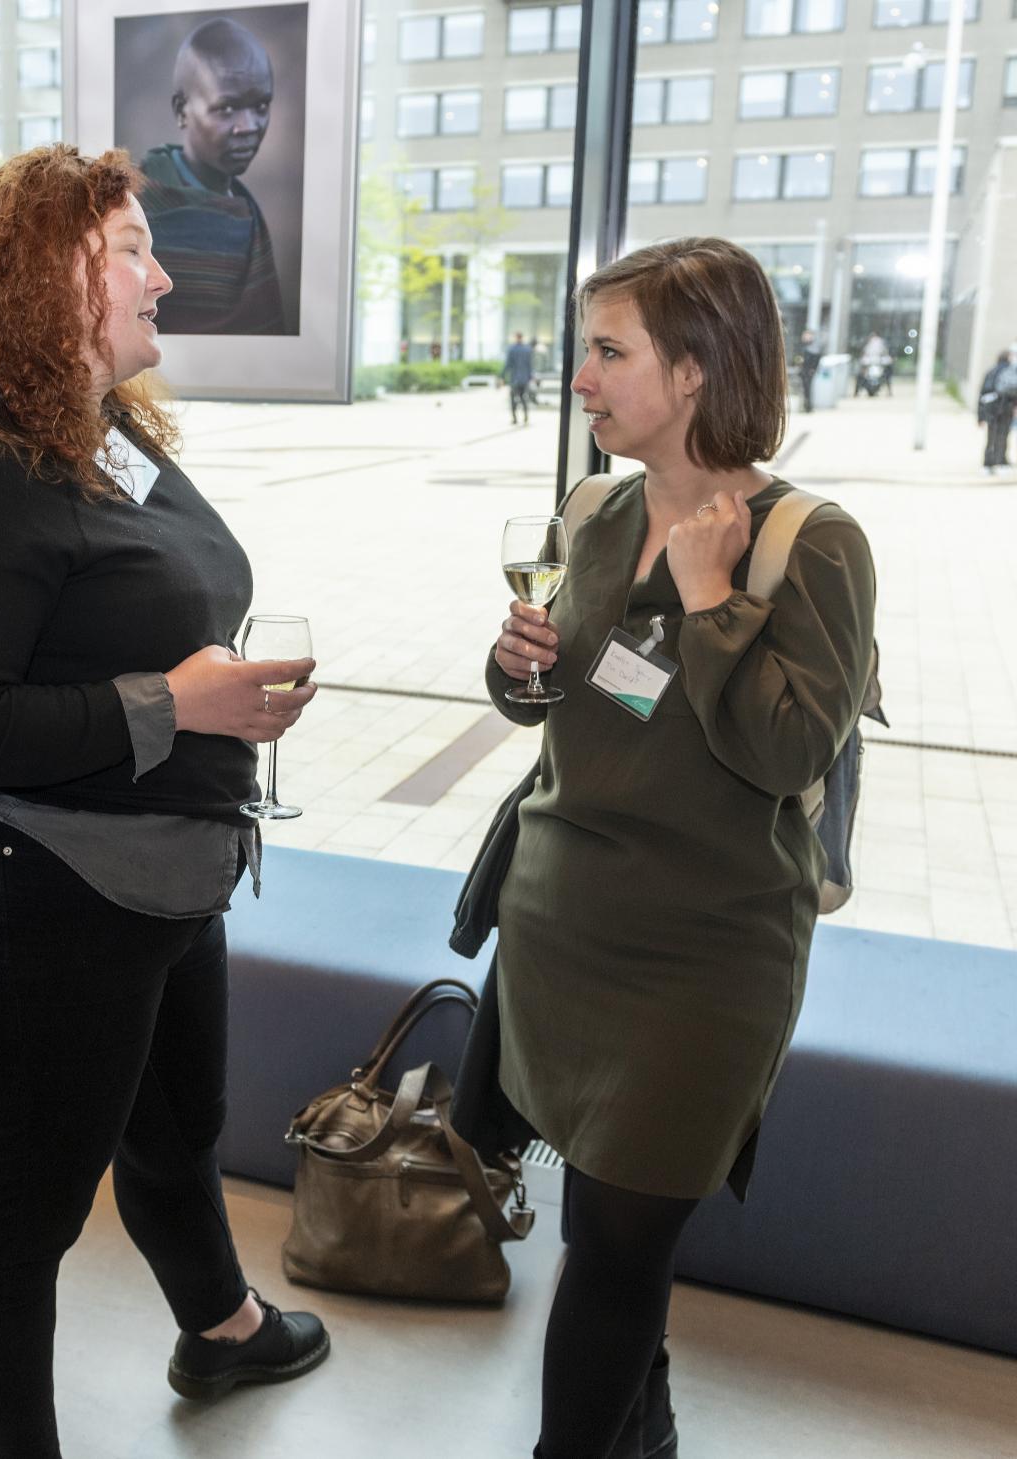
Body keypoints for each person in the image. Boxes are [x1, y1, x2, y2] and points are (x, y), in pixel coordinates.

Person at [0, 145, 329, 1457]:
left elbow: (137, 621)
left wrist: (210, 697)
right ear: (44, 280)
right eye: (131, 245)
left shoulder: (106, 438)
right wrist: (178, 704)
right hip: (33, 901)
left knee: (177, 1133)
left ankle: (221, 1325)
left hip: (158, 882)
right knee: (19, 1224)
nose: (162, 270)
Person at [488, 237, 877, 1459]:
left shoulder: (809, 543)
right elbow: (554, 707)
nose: (579, 376)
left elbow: (780, 756)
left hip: (702, 959)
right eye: (583, 348)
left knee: (615, 1239)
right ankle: (638, 1433)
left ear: (698, 369)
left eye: (608, 351)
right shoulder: (588, 508)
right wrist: (514, 671)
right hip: (560, 928)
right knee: (601, 1225)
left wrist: (711, 602)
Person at [137, 18, 288, 335]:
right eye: (227, 108)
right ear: (182, 110)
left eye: (261, 105)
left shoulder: (245, 210)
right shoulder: (135, 203)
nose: (248, 126)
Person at [976, 349, 1016, 476]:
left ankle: (988, 464)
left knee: (991, 435)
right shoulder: (1010, 371)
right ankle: (1001, 462)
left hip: (991, 408)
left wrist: (980, 416)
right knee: (1003, 435)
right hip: (1006, 407)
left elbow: (983, 393)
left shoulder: (991, 372)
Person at [506, 331, 536, 425]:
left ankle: (515, 418)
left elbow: (508, 365)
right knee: (524, 398)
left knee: (513, 399)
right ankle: (526, 417)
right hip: (525, 379)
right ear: (522, 337)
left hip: (515, 379)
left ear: (516, 337)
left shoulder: (512, 349)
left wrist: (502, 376)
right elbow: (530, 365)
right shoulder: (527, 349)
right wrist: (531, 376)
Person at [795, 328, 820, 414]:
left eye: (807, 335)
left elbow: (816, 359)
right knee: (804, 389)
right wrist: (798, 363)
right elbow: (798, 358)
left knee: (807, 389)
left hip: (809, 371)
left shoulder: (813, 347)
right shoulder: (802, 346)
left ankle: (808, 406)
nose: (805, 337)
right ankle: (805, 406)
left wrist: (813, 369)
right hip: (802, 370)